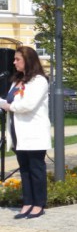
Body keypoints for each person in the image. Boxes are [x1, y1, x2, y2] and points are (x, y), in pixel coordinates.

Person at [0, 46, 51, 219]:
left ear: (28, 60)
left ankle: (39, 204)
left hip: (33, 133)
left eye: (17, 59)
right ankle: (27, 202)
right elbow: (9, 100)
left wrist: (7, 106)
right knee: (24, 169)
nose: (14, 63)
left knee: (36, 169)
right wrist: (3, 103)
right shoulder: (16, 81)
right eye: (14, 59)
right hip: (17, 133)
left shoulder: (39, 81)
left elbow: (27, 105)